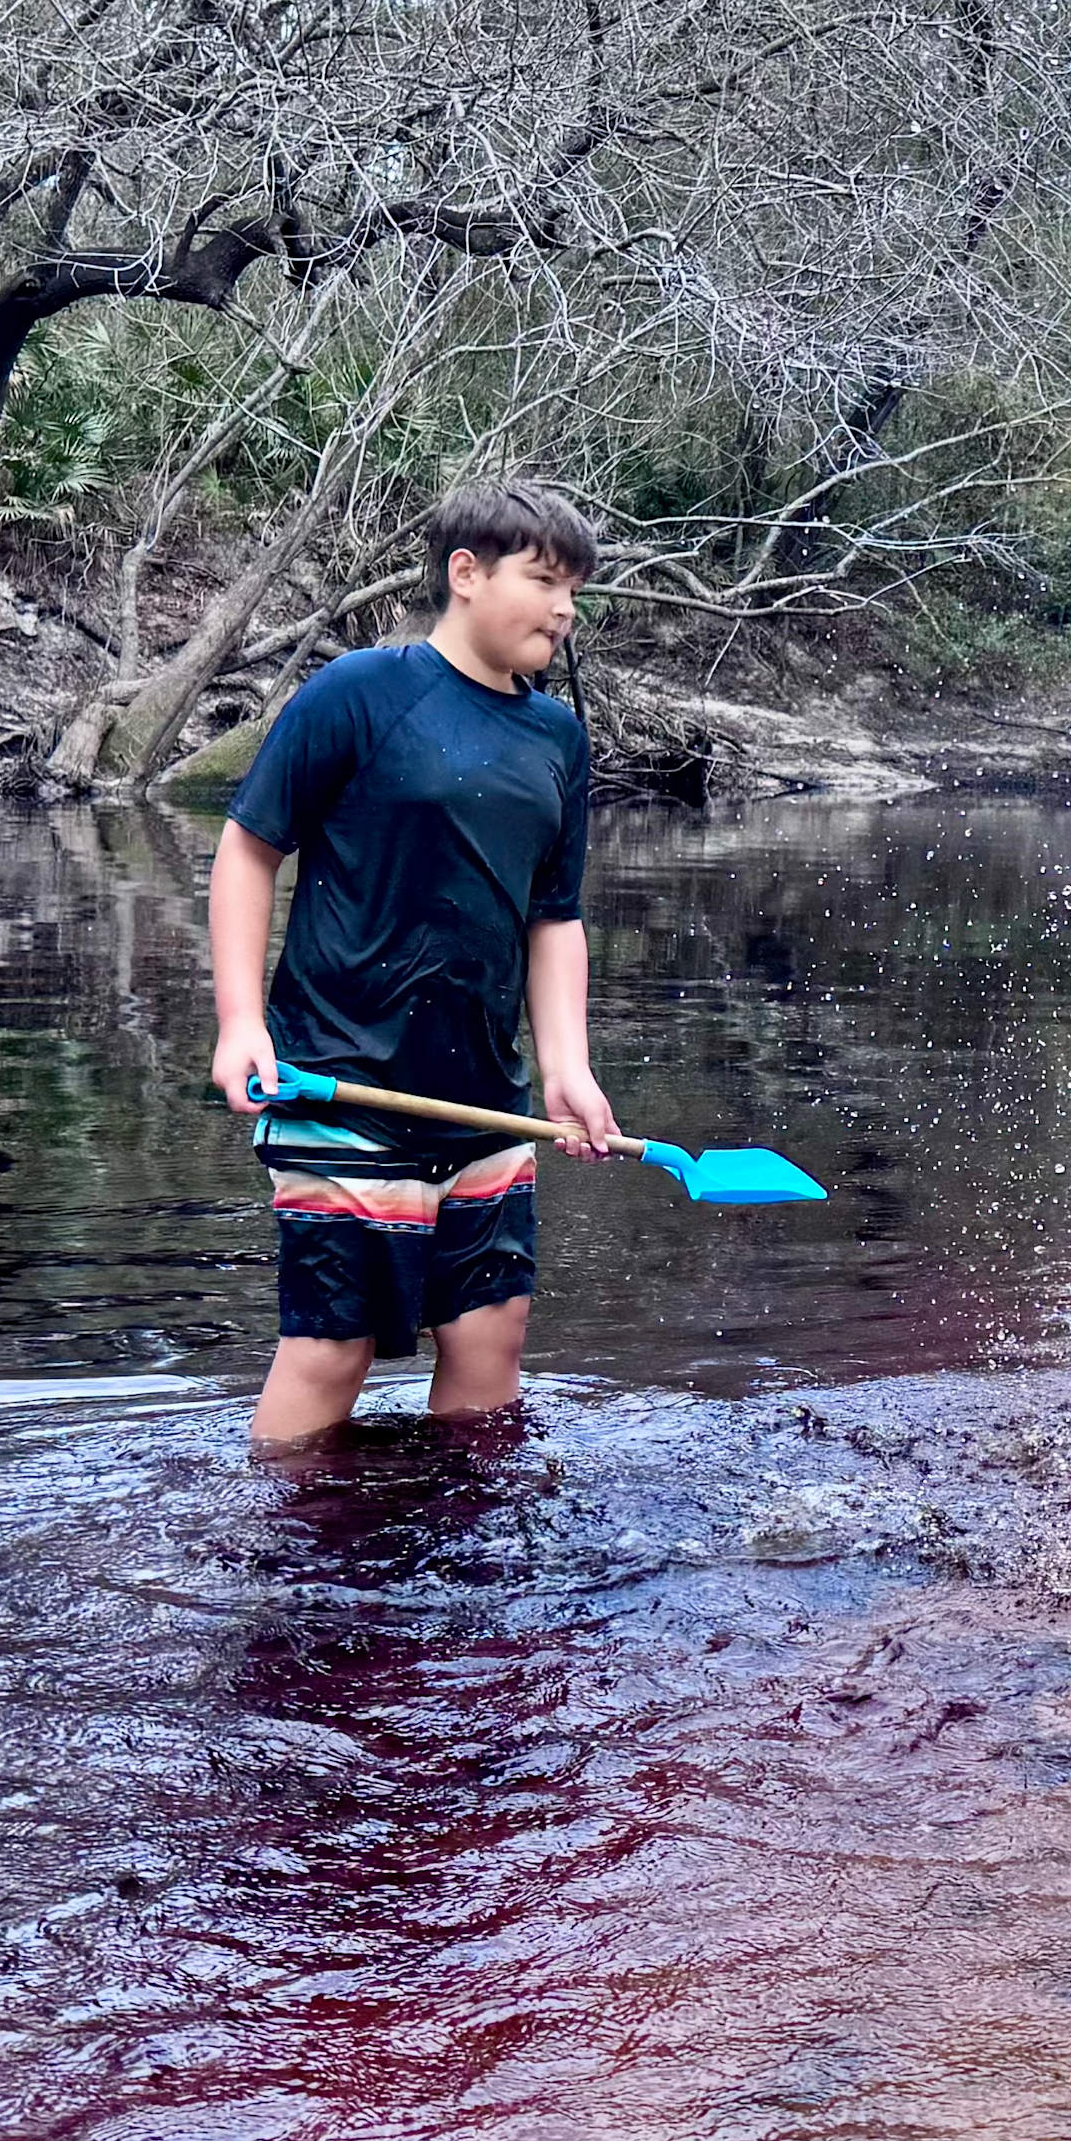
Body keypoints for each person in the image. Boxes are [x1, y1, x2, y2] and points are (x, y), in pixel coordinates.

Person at [207, 482, 622, 1445]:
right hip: (338, 1084)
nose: (565, 609)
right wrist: (241, 1022)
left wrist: (567, 1070)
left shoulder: (558, 735)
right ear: (465, 574)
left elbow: (554, 919)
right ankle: (279, 1552)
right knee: (334, 1345)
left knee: (491, 1338)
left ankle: (462, 1563)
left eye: (576, 589)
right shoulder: (360, 691)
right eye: (545, 581)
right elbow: (249, 847)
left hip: (484, 1095)